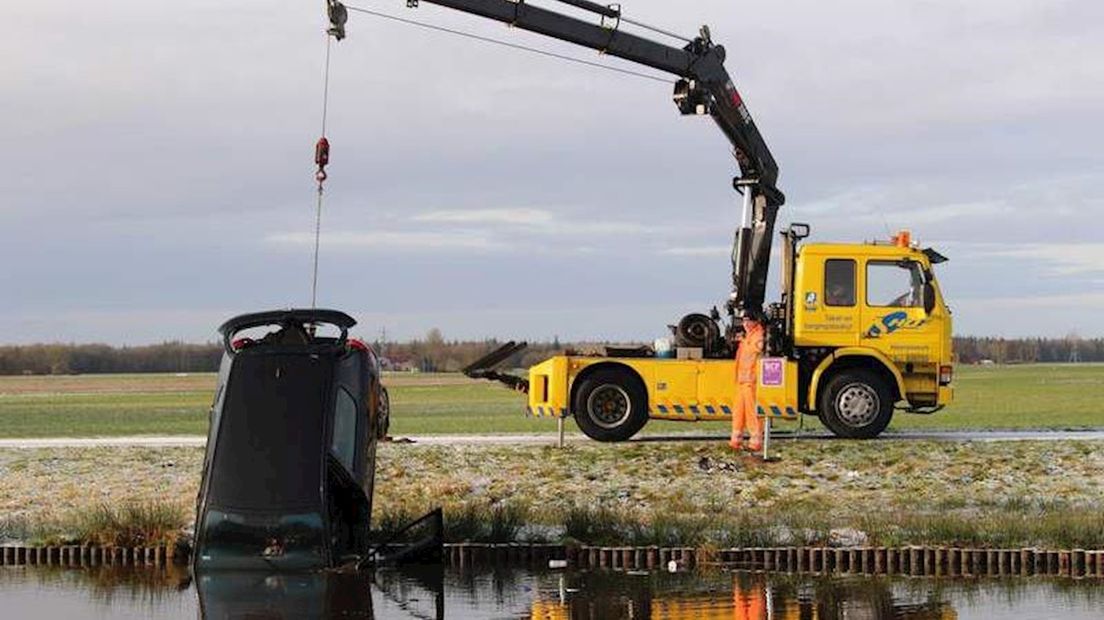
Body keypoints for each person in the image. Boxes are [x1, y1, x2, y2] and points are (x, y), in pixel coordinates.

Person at [731, 312, 765, 451]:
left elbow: (758, 348)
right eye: (743, 321)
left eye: (747, 321)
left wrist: (745, 341)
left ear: (755, 322)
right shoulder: (749, 336)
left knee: (752, 412)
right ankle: (735, 441)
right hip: (742, 381)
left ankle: (755, 441)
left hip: (751, 381)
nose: (744, 324)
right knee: (738, 412)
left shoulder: (757, 334)